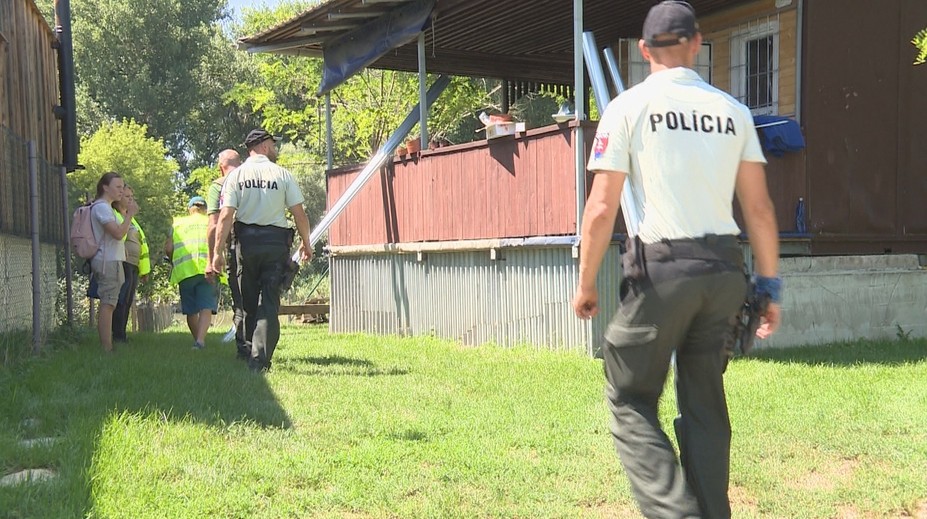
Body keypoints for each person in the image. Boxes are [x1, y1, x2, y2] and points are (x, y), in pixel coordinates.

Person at [571, 2, 782, 517]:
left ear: (645, 51)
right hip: (724, 271)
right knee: (704, 400)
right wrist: (770, 287)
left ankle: (674, 511)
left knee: (629, 394)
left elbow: (601, 208)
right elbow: (758, 209)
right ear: (696, 44)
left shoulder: (628, 107)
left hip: (663, 271)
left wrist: (586, 283)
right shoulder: (733, 111)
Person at [212, 129, 312, 372]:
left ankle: (249, 351)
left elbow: (225, 216)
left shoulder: (236, 176)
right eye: (273, 145)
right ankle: (259, 359)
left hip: (246, 244)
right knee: (269, 301)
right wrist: (306, 243)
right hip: (276, 244)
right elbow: (299, 214)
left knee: (247, 301)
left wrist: (217, 252)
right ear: (264, 146)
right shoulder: (282, 174)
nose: (275, 149)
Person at [89, 172, 138, 352]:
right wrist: (129, 215)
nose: (121, 190)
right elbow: (117, 233)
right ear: (105, 187)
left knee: (111, 302)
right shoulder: (102, 208)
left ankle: (108, 345)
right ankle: (107, 348)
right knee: (108, 304)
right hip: (107, 261)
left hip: (113, 260)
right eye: (118, 187)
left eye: (122, 186)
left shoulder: (106, 207)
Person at [205, 149, 247, 359]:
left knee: (240, 299)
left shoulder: (219, 185)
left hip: (234, 245)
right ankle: (261, 345)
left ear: (221, 167)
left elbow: (214, 224)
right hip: (263, 243)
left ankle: (244, 349)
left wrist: (213, 256)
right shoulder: (252, 180)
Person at [166, 196, 221, 350]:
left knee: (191, 309)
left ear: (189, 209)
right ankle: (200, 341)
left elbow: (168, 248)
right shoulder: (211, 222)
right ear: (205, 209)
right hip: (207, 269)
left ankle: (198, 341)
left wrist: (173, 260)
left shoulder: (177, 223)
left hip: (185, 271)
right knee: (206, 306)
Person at [112, 185, 150, 343]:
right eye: (127, 197)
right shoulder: (114, 214)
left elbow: (142, 244)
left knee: (128, 300)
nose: (131, 200)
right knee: (120, 300)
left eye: (132, 197)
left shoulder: (132, 218)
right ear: (118, 198)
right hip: (122, 262)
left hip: (134, 265)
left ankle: (122, 335)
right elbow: (119, 235)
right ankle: (116, 335)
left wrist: (144, 269)